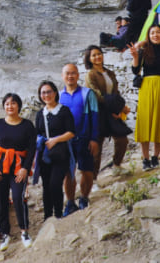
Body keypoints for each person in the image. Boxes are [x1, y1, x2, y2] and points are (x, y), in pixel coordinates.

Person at [0, 93, 36, 251]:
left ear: (19, 106)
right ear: (4, 106)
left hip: (18, 167)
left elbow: (31, 149)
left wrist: (25, 168)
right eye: (7, 103)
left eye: (13, 103)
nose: (10, 106)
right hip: (1, 167)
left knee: (18, 197)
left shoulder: (27, 125)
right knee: (1, 200)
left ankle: (24, 231)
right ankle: (5, 234)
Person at [128, 25, 160, 170]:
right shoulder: (144, 50)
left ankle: (155, 156)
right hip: (147, 86)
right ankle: (145, 158)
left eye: (158, 32)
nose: (155, 35)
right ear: (148, 35)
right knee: (145, 120)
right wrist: (135, 56)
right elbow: (136, 70)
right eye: (152, 33)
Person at [59, 64, 99, 215]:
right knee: (68, 173)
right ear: (62, 76)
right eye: (67, 73)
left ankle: (84, 198)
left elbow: (95, 116)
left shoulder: (87, 94)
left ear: (78, 75)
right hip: (65, 142)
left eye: (73, 73)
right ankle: (70, 203)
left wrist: (94, 139)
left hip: (84, 139)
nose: (70, 76)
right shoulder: (58, 96)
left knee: (87, 171)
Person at [84, 45, 130, 177]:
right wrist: (116, 106)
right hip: (99, 113)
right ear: (89, 59)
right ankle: (93, 179)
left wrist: (120, 108)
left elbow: (116, 92)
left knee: (122, 139)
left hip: (112, 111)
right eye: (94, 55)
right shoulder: (90, 75)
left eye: (99, 54)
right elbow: (96, 95)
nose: (97, 57)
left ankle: (116, 165)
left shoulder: (110, 73)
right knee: (97, 146)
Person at [34, 81, 75, 220]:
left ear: (55, 93)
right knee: (46, 186)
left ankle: (58, 214)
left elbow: (71, 132)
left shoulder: (64, 111)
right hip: (45, 155)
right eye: (43, 93)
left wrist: (55, 140)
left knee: (55, 184)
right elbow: (37, 133)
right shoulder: (40, 114)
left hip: (60, 153)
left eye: (49, 91)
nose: (46, 95)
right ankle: (47, 216)